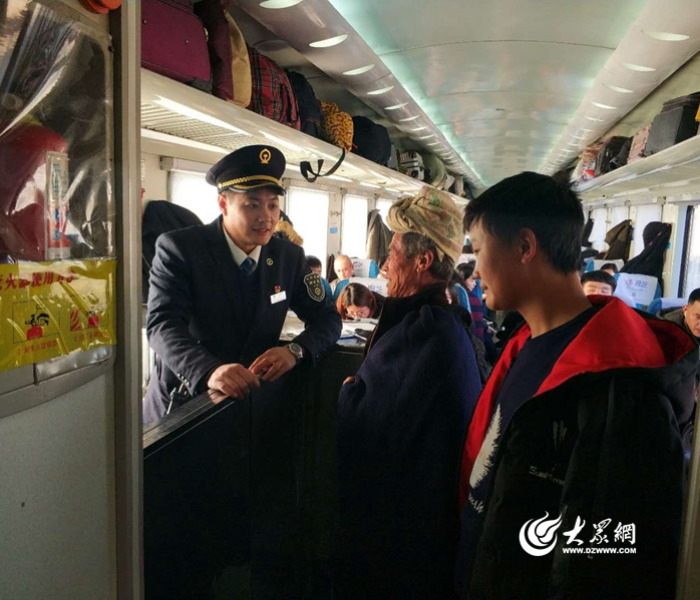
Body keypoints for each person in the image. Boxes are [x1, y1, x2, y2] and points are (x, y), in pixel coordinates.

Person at [457, 172, 697, 600]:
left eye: (478, 249)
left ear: (525, 247)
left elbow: (611, 564)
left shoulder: (621, 388)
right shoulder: (527, 343)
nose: (474, 268)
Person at [334, 188, 485, 600]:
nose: (384, 265)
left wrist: (348, 394)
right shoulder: (445, 319)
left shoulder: (425, 332)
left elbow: (366, 423)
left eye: (393, 252)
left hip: (402, 534)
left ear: (423, 261)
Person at [144, 145, 342, 425]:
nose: (266, 216)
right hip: (188, 404)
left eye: (272, 205)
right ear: (223, 204)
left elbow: (328, 318)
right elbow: (162, 325)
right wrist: (208, 370)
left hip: (252, 408)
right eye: (252, 204)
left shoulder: (288, 258)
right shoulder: (181, 249)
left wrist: (295, 351)